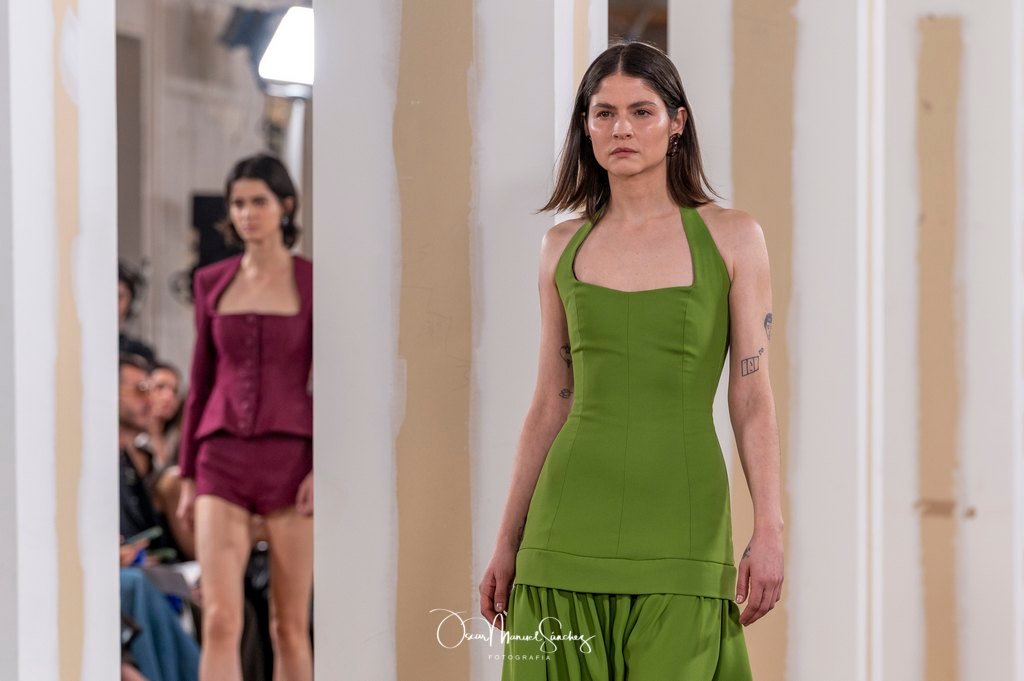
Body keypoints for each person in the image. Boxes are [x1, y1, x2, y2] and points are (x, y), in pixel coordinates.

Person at [480, 41, 784, 679]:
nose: (621, 128)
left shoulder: (734, 237)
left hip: (684, 523)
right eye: (604, 113)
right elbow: (550, 402)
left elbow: (752, 397)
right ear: (586, 126)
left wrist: (770, 526)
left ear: (677, 123)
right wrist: (507, 540)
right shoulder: (561, 246)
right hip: (563, 529)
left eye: (641, 111)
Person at [176, 153, 314, 681]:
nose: (246, 213)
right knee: (218, 619)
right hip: (220, 457)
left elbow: (331, 382)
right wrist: (187, 474)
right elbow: (200, 382)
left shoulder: (313, 280)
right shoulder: (210, 281)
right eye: (237, 203)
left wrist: (320, 467)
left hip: (292, 463)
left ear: (286, 206)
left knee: (289, 626)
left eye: (258, 201)